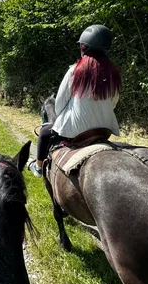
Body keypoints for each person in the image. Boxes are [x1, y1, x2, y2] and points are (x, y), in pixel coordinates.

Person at [28, 24, 121, 178]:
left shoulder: (75, 70)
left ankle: (38, 168)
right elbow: (113, 102)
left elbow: (58, 105)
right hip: (105, 129)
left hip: (77, 130)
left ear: (84, 47)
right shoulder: (114, 73)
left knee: (44, 132)